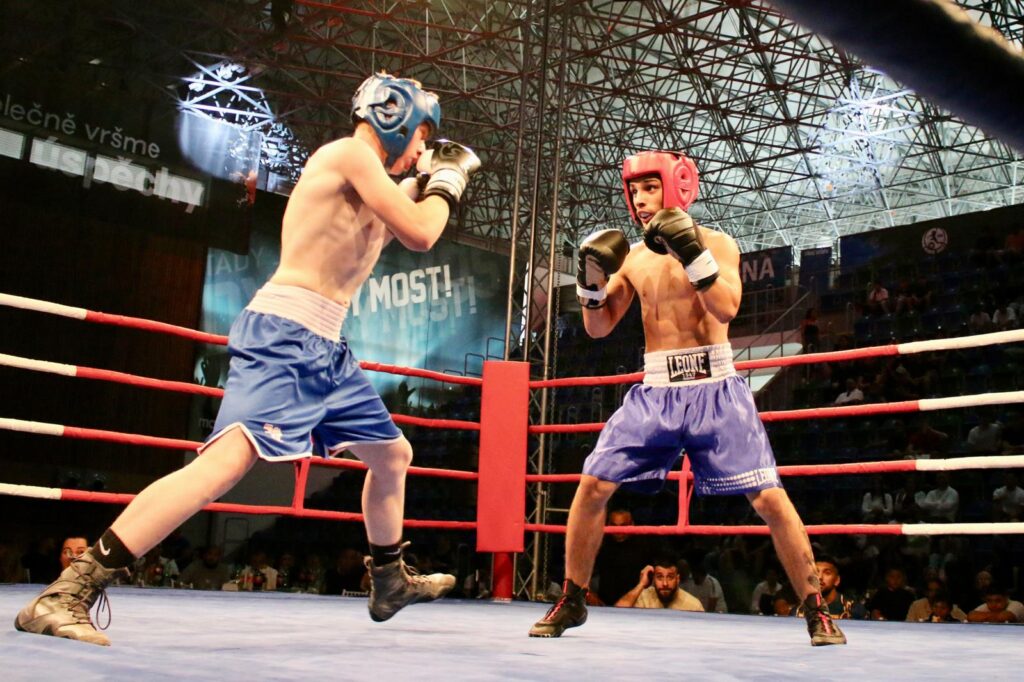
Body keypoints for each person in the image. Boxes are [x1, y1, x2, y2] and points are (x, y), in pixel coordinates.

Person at [14, 72, 481, 646]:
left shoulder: (370, 182)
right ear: (396, 118)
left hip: (325, 345)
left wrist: (424, 181)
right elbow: (421, 234)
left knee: (393, 455)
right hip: (285, 332)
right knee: (223, 467)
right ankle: (68, 591)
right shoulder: (349, 155)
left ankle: (388, 580)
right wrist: (448, 181)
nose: (420, 150)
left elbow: (386, 229)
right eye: (422, 136)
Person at [528, 150, 846, 645]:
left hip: (716, 387)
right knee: (592, 486)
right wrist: (590, 285)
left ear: (677, 186)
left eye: (649, 188)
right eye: (634, 191)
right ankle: (572, 599)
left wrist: (691, 253)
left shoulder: (718, 243)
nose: (639, 200)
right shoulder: (633, 258)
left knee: (768, 496)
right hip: (656, 390)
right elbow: (598, 327)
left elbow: (727, 307)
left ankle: (817, 609)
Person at [614, 557, 703, 611]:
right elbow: (617, 614)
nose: (665, 583)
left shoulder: (693, 605)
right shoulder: (643, 598)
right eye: (660, 577)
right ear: (653, 579)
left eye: (670, 577)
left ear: (678, 579)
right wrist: (641, 584)